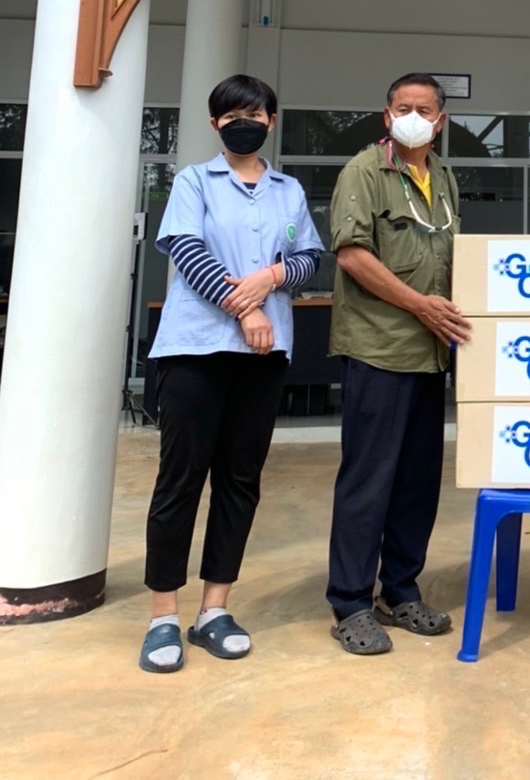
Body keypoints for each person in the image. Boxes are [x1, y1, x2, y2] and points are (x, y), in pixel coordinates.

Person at [139, 75, 323, 673]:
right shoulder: (194, 181)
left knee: (240, 479)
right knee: (180, 479)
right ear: (216, 123)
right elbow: (186, 250)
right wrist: (246, 309)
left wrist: (272, 277)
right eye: (232, 114)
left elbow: (308, 258)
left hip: (264, 357)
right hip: (196, 348)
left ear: (272, 121)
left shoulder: (288, 190)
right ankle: (162, 617)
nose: (245, 122)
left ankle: (213, 609)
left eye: (256, 114)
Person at [326, 73, 470, 656]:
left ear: (440, 121)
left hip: (430, 355)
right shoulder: (364, 172)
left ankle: (400, 591)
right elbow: (352, 254)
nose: (413, 116)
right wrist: (419, 305)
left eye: (424, 109)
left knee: (416, 482)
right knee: (369, 480)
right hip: (379, 349)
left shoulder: (444, 177)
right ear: (387, 116)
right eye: (402, 107)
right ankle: (351, 603)